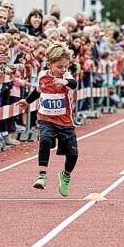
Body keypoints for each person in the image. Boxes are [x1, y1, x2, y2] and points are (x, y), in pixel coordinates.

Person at [17, 45, 79, 196]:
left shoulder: (66, 76)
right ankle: (42, 175)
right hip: (46, 118)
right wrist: (27, 101)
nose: (63, 69)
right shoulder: (42, 75)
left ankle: (65, 175)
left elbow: (74, 84)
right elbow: (38, 91)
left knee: (73, 155)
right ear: (49, 64)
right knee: (45, 140)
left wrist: (65, 82)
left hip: (64, 121)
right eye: (59, 67)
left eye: (65, 66)